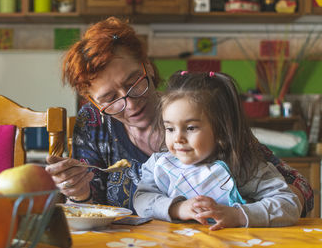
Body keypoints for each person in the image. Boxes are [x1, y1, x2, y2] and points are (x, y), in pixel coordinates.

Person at [45, 16, 313, 217]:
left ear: (147, 66)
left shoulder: (195, 110)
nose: (129, 103)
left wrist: (241, 213)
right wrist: (79, 194)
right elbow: (89, 211)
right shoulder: (93, 122)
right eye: (109, 98)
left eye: (133, 82)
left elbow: (299, 189)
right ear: (92, 101)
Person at [133, 71, 302, 230]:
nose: (177, 138)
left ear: (221, 131)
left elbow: (289, 204)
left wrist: (238, 215)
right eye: (170, 128)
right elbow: (141, 200)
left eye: (190, 128)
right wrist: (178, 208)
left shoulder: (244, 166)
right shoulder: (159, 165)